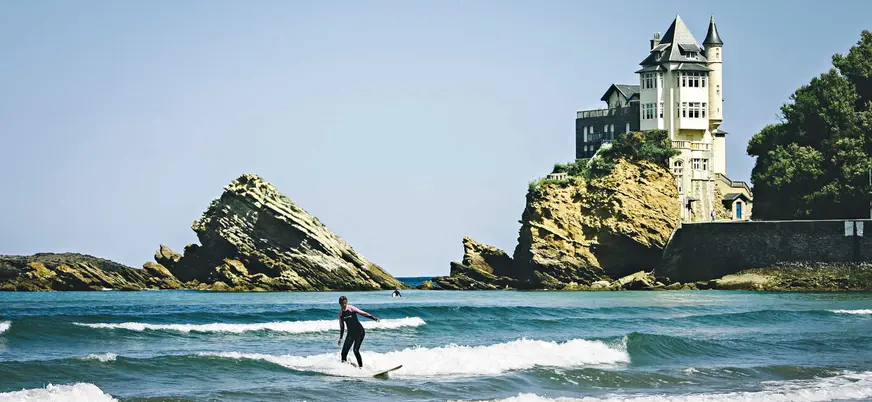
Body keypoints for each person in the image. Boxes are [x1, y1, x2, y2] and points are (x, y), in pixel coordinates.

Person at [337, 296, 379, 368]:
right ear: (339, 303)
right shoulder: (340, 313)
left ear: (346, 302)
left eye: (344, 303)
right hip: (350, 333)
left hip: (359, 331)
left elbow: (363, 313)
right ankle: (344, 369)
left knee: (355, 350)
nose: (343, 305)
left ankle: (361, 368)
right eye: (341, 304)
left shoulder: (351, 308)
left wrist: (373, 318)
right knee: (343, 353)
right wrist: (341, 338)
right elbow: (342, 326)